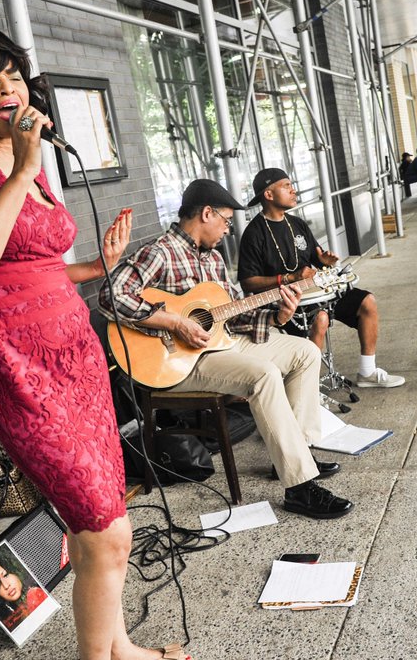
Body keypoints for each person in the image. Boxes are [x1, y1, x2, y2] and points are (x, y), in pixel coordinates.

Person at [0, 25, 186, 660]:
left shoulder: (21, 155)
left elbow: (24, 262)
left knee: (107, 519)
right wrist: (24, 173)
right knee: (104, 523)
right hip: (17, 362)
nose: (9, 89)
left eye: (13, 74)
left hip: (76, 355)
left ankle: (116, 649)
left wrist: (94, 268)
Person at [99, 178, 354, 520]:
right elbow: (110, 297)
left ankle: (298, 456)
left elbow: (233, 314)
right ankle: (300, 488)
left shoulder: (215, 260)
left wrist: (279, 313)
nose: (228, 229)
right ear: (206, 213)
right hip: (177, 362)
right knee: (262, 376)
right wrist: (175, 323)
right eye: (226, 220)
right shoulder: (160, 252)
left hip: (220, 346)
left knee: (304, 352)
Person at [237, 168, 404, 389]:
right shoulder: (254, 233)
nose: (293, 190)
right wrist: (290, 278)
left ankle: (367, 372)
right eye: (286, 186)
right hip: (286, 303)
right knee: (321, 319)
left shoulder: (297, 224)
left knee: (367, 302)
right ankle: (307, 389)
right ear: (268, 195)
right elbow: (248, 282)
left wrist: (324, 262)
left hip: (318, 293)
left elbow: (314, 261)